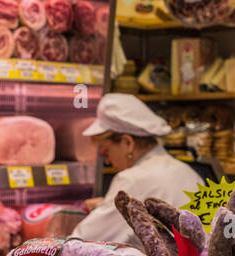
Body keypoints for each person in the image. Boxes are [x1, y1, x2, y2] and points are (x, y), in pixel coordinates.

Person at [71, 93, 203, 245]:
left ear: (128, 143)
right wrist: (105, 206)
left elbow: (80, 244)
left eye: (104, 151)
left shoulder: (132, 179)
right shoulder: (186, 171)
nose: (107, 160)